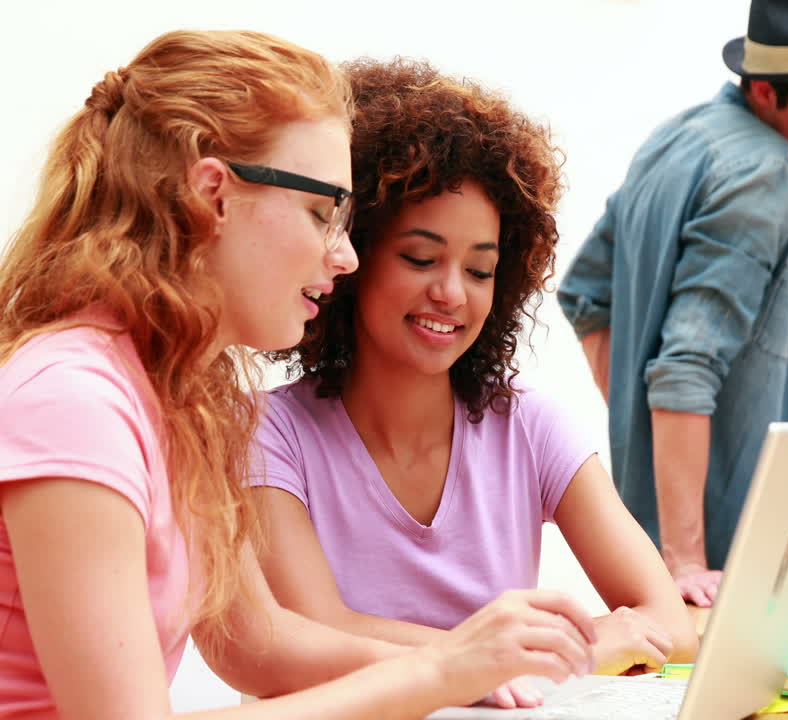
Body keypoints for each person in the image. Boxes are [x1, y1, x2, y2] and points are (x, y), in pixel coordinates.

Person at [0, 30, 598, 720]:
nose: (344, 256)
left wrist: (474, 665)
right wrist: (439, 671)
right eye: (323, 213)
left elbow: (258, 641)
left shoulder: (183, 399)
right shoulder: (74, 400)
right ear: (212, 196)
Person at [250, 58, 697, 705]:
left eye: (481, 270)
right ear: (352, 255)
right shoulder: (269, 435)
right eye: (420, 258)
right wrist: (549, 650)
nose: (451, 293)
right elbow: (317, 633)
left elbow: (665, 622)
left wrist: (531, 654)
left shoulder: (529, 425)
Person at [556, 0, 788, 607]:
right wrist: (687, 556)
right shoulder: (763, 173)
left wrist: (637, 422)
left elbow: (585, 294)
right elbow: (685, 369)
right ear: (766, 92)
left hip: (653, 551)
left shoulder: (678, 137)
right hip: (738, 557)